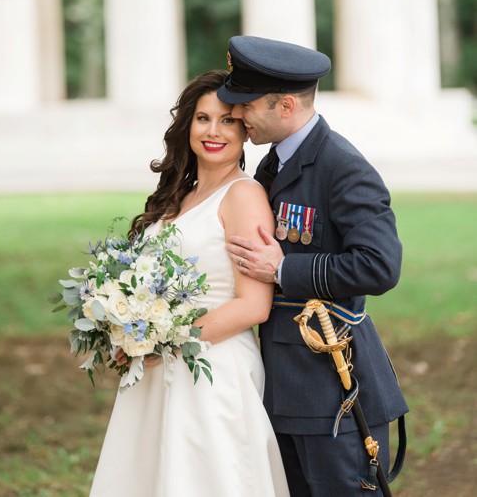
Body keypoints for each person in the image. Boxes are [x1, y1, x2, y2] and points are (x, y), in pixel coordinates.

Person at [219, 35, 408, 497]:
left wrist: (284, 270)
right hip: (283, 388)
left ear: (285, 106)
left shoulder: (342, 166)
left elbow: (381, 265)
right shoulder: (272, 163)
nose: (237, 114)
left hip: (335, 393)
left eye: (246, 105)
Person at [90, 70, 289, 497]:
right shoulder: (180, 196)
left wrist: (165, 344)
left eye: (228, 121)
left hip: (211, 371)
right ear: (187, 125)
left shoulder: (244, 196)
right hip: (157, 370)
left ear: (245, 129)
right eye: (203, 118)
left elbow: (255, 305)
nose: (214, 131)